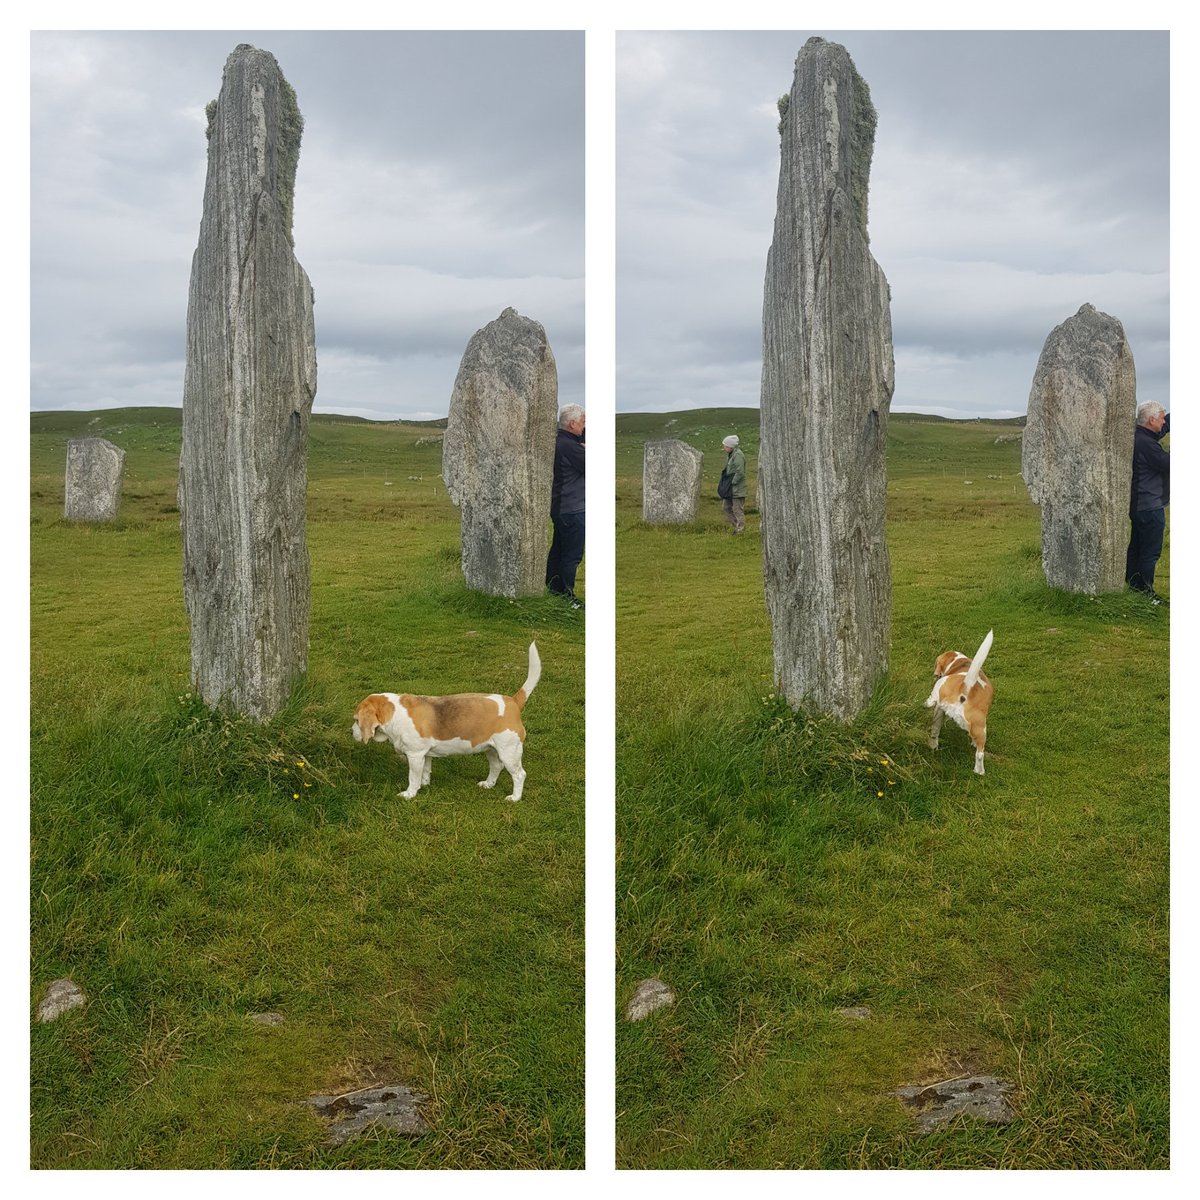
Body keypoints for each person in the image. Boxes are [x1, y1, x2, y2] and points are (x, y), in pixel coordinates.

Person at [1125, 401, 1170, 603]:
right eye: (1161, 417)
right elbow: (1166, 464)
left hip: (1139, 505)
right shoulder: (1146, 444)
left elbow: (1159, 432)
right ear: (1151, 420)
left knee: (1137, 547)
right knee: (1150, 552)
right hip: (1149, 505)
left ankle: (1133, 586)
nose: (1163, 421)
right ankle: (1146, 593)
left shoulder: (1140, 437)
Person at [546, 404, 585, 608]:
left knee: (559, 551)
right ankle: (566, 596)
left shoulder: (561, 441)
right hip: (572, 508)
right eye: (582, 422)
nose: (585, 426)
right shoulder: (569, 446)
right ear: (572, 424)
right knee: (571, 554)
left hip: (562, 507)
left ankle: (553, 590)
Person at [720, 434, 747, 534]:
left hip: (737, 489)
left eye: (726, 446)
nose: (724, 448)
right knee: (726, 508)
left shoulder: (738, 455)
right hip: (730, 489)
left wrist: (732, 482)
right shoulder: (731, 455)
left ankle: (740, 530)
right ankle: (737, 526)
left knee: (737, 509)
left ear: (731, 446)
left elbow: (740, 472)